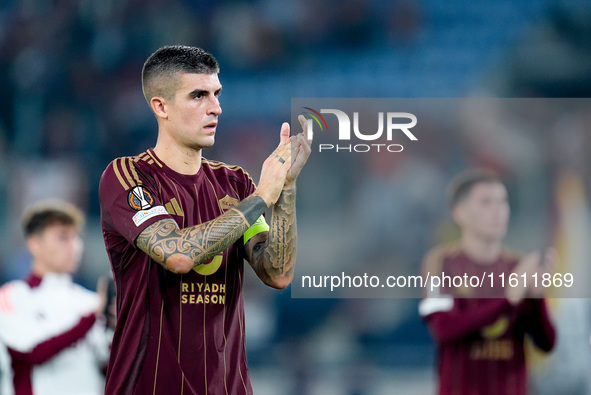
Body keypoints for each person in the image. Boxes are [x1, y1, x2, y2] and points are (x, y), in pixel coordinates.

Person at [98, 45, 312, 395]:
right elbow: (177, 255)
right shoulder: (128, 176)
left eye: (217, 94)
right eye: (198, 95)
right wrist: (261, 197)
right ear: (161, 106)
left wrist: (285, 190)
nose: (216, 108)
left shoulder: (236, 183)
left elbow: (277, 273)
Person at [419, 169, 556, 395]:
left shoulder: (518, 266)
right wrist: (508, 300)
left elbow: (546, 343)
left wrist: (535, 297)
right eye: (486, 203)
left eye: (503, 202)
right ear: (460, 213)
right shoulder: (437, 264)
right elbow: (442, 329)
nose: (498, 211)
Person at [0, 200, 112, 395]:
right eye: (63, 238)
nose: (74, 246)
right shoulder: (10, 296)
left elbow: (107, 367)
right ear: (34, 243)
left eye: (76, 237)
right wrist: (93, 316)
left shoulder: (90, 300)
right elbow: (33, 353)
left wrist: (117, 325)